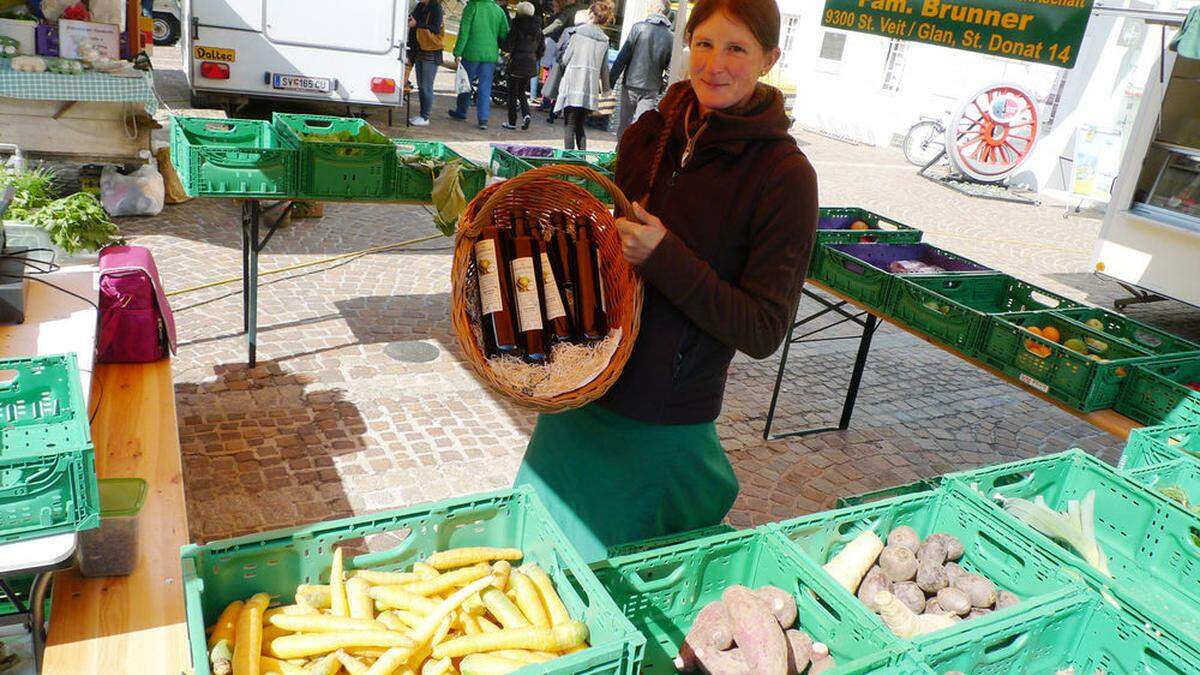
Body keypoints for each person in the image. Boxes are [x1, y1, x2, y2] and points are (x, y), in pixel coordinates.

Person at [514, 0, 818, 562]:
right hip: (582, 391)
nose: (714, 64)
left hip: (661, 421)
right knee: (528, 555)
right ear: (685, 44)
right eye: (703, 44)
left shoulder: (785, 177)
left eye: (736, 49)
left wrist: (665, 256)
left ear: (769, 58)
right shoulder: (649, 134)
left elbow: (762, 329)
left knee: (613, 589)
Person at [553, 1, 612, 150]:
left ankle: (569, 162)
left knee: (569, 124)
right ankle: (582, 160)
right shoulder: (604, 40)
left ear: (591, 14)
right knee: (580, 125)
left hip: (573, 84)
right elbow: (604, 69)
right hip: (589, 88)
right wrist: (606, 90)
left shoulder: (577, 33)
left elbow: (565, 59)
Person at [610, 0, 673, 137]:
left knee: (624, 124)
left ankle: (621, 153)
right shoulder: (670, 37)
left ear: (658, 9)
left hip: (631, 82)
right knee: (642, 126)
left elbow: (623, 57)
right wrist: (662, 84)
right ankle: (634, 155)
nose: (648, 9)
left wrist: (610, 81)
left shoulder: (638, 28)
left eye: (650, 6)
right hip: (651, 87)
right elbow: (669, 67)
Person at [450, 0, 509, 130]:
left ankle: (461, 111)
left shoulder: (472, 6)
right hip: (490, 54)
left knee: (466, 83)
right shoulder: (498, 10)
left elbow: (464, 31)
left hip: (471, 53)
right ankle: (483, 119)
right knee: (485, 86)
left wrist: (458, 52)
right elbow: (505, 33)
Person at [502, 2, 545, 130]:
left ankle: (512, 122)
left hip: (516, 63)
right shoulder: (538, 29)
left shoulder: (516, 27)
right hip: (530, 64)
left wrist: (499, 41)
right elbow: (542, 49)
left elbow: (508, 46)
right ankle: (526, 114)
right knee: (522, 92)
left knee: (512, 94)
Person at [409, 0, 444, 126]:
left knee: (426, 86)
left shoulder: (436, 8)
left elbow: (435, 28)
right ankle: (422, 115)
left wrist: (417, 23)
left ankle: (425, 116)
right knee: (421, 86)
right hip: (419, 50)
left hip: (431, 52)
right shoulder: (420, 6)